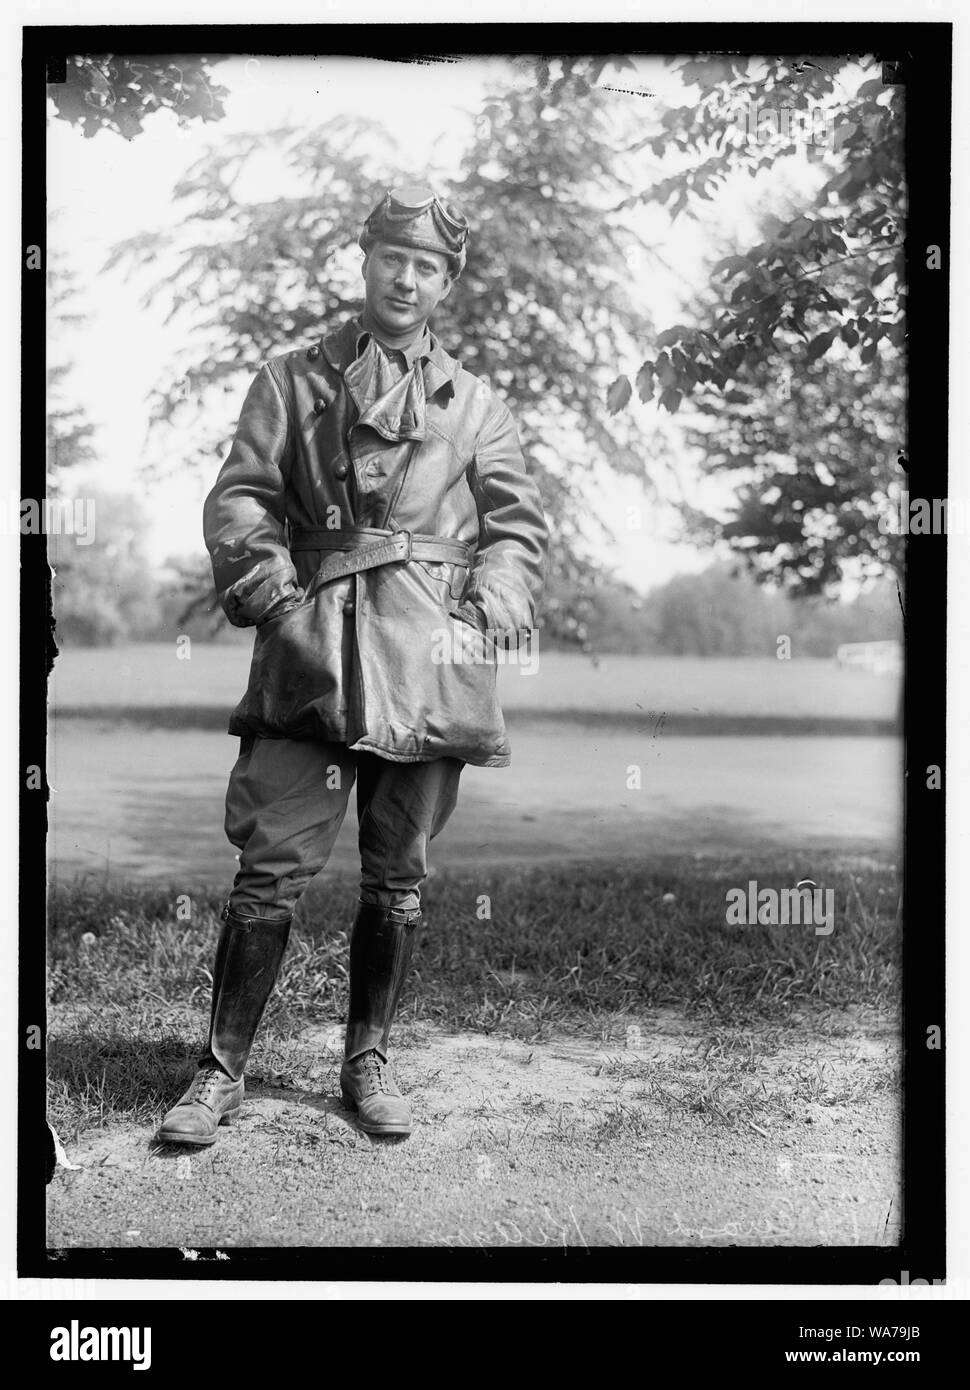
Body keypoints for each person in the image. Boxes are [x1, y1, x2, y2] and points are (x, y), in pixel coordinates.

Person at [157, 186, 548, 1145]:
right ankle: (217, 1074)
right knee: (270, 869)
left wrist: (490, 602)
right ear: (364, 263)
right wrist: (279, 601)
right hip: (311, 651)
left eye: (427, 267)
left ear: (446, 282)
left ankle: (367, 1065)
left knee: (398, 879)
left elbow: (519, 532)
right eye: (392, 260)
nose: (406, 279)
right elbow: (240, 501)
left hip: (430, 663)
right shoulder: (290, 381)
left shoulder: (480, 406)